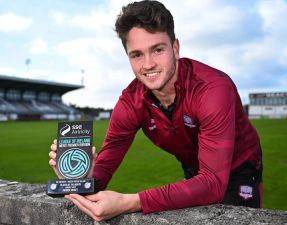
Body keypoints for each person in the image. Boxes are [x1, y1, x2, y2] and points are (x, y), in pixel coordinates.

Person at [49, 0, 263, 221]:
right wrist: (77, 176)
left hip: (241, 165)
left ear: (175, 48)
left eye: (158, 50)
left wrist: (130, 202)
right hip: (195, 166)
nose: (148, 64)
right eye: (137, 54)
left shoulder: (212, 89)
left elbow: (212, 184)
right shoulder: (130, 102)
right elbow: (100, 175)